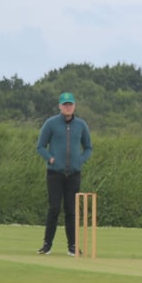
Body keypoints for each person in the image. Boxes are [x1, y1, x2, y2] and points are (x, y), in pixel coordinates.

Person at [36, 92, 93, 256]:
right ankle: (47, 245)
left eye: (70, 104)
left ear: (74, 106)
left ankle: (73, 246)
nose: (68, 107)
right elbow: (40, 146)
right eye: (65, 104)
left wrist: (80, 160)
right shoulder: (51, 123)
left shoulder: (81, 125)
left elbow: (88, 147)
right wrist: (50, 158)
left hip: (74, 174)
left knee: (71, 210)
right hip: (55, 173)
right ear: (60, 106)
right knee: (54, 208)